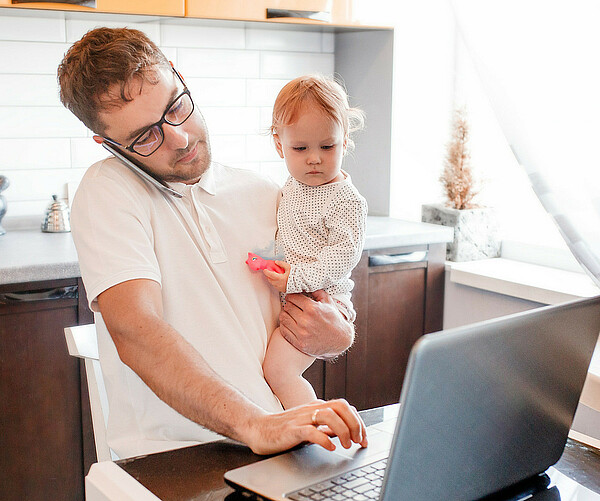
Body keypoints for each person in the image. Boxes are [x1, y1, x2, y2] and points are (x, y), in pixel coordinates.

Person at [57, 27, 368, 459]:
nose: (179, 138)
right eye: (146, 136)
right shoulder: (107, 191)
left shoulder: (264, 193)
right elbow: (136, 330)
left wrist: (336, 331)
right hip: (177, 456)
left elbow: (298, 296)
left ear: (180, 78)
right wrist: (254, 424)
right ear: (109, 146)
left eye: (176, 108)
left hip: (283, 438)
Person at [257, 75, 368, 409]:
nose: (315, 158)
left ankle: (314, 428)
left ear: (345, 140)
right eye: (300, 148)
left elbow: (341, 258)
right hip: (296, 295)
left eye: (327, 146)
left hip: (326, 303)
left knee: (279, 372)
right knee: (270, 373)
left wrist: (294, 278)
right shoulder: (292, 186)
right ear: (280, 146)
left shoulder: (346, 199)